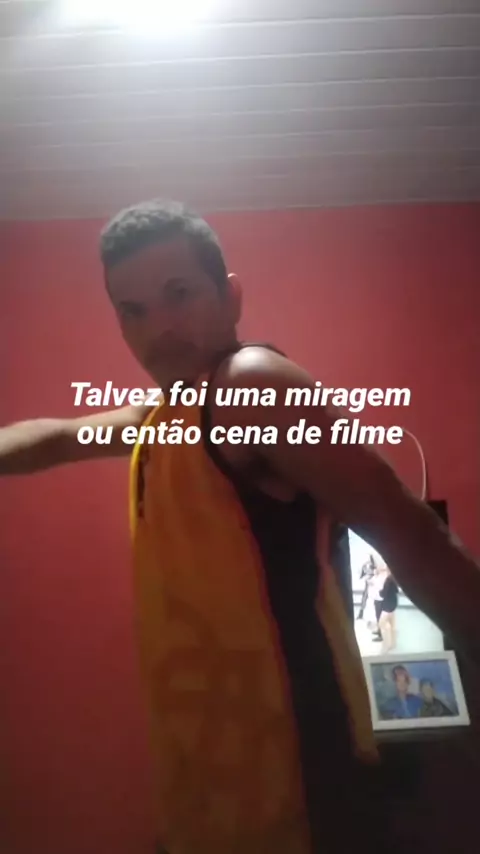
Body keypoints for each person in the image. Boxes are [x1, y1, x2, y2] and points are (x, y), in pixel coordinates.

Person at [1, 199, 480, 854]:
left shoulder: (252, 386)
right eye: (132, 310)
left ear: (230, 296)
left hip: (305, 784)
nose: (158, 328)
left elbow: (411, 533)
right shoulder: (170, 415)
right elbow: (59, 437)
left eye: (178, 294)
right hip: (215, 788)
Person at [377, 568, 399, 654]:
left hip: (387, 605)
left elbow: (383, 593)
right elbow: (396, 591)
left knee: (382, 624)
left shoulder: (388, 580)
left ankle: (387, 645)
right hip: (393, 603)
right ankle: (393, 643)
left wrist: (380, 591)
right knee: (392, 624)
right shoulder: (394, 579)